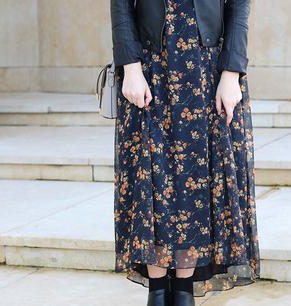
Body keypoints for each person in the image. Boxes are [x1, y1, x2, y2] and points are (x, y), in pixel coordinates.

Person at [110, 0, 260, 305]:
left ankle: (183, 289)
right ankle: (157, 290)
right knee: (151, 175)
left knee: (197, 183)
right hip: (150, 70)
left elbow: (239, 6)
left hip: (207, 71)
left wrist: (231, 72)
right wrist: (130, 66)